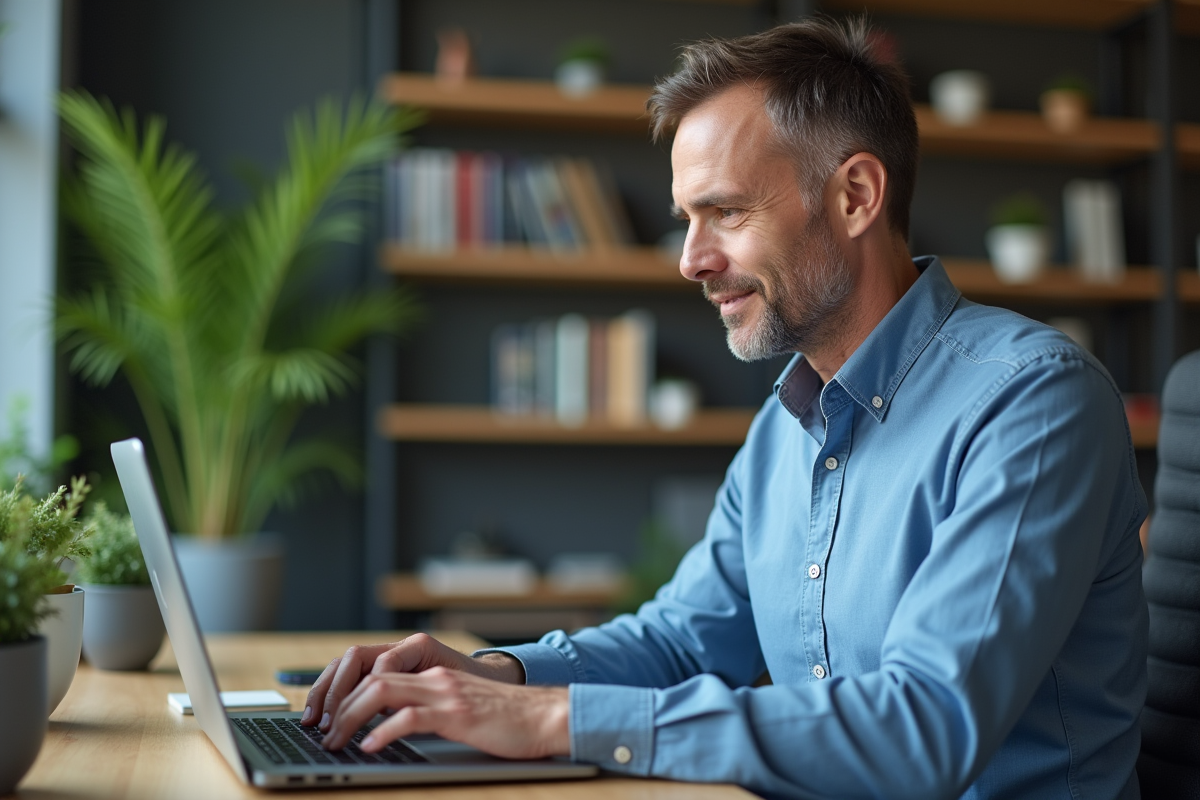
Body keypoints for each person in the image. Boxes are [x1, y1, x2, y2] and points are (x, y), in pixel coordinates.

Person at [304, 18, 1148, 799]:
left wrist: (556, 720)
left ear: (856, 195)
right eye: (686, 219)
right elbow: (684, 641)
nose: (691, 260)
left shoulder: (1033, 402)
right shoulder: (784, 426)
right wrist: (497, 677)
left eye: (727, 212)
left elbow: (924, 726)